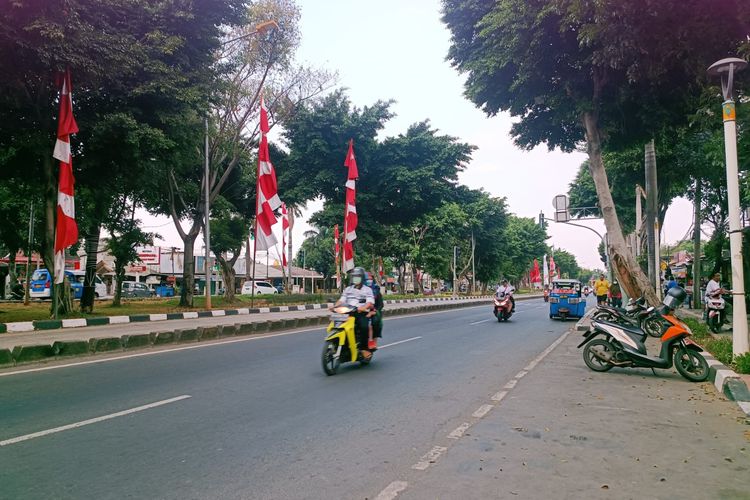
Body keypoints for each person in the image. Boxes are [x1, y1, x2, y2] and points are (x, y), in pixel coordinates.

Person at [334, 267, 375, 359]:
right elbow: (341, 300)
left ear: (361, 278)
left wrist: (363, 307)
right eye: (354, 277)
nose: (355, 279)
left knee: (364, 326)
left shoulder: (367, 290)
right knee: (336, 324)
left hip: (360, 312)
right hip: (348, 312)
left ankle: (364, 348)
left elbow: (370, 302)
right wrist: (334, 306)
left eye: (357, 277)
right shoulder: (348, 289)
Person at [365, 273, 384, 347]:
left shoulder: (376, 290)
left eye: (370, 279)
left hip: (373, 310)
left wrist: (374, 310)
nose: (369, 280)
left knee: (374, 322)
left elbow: (380, 304)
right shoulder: (358, 289)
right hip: (361, 310)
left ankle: (372, 341)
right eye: (367, 279)